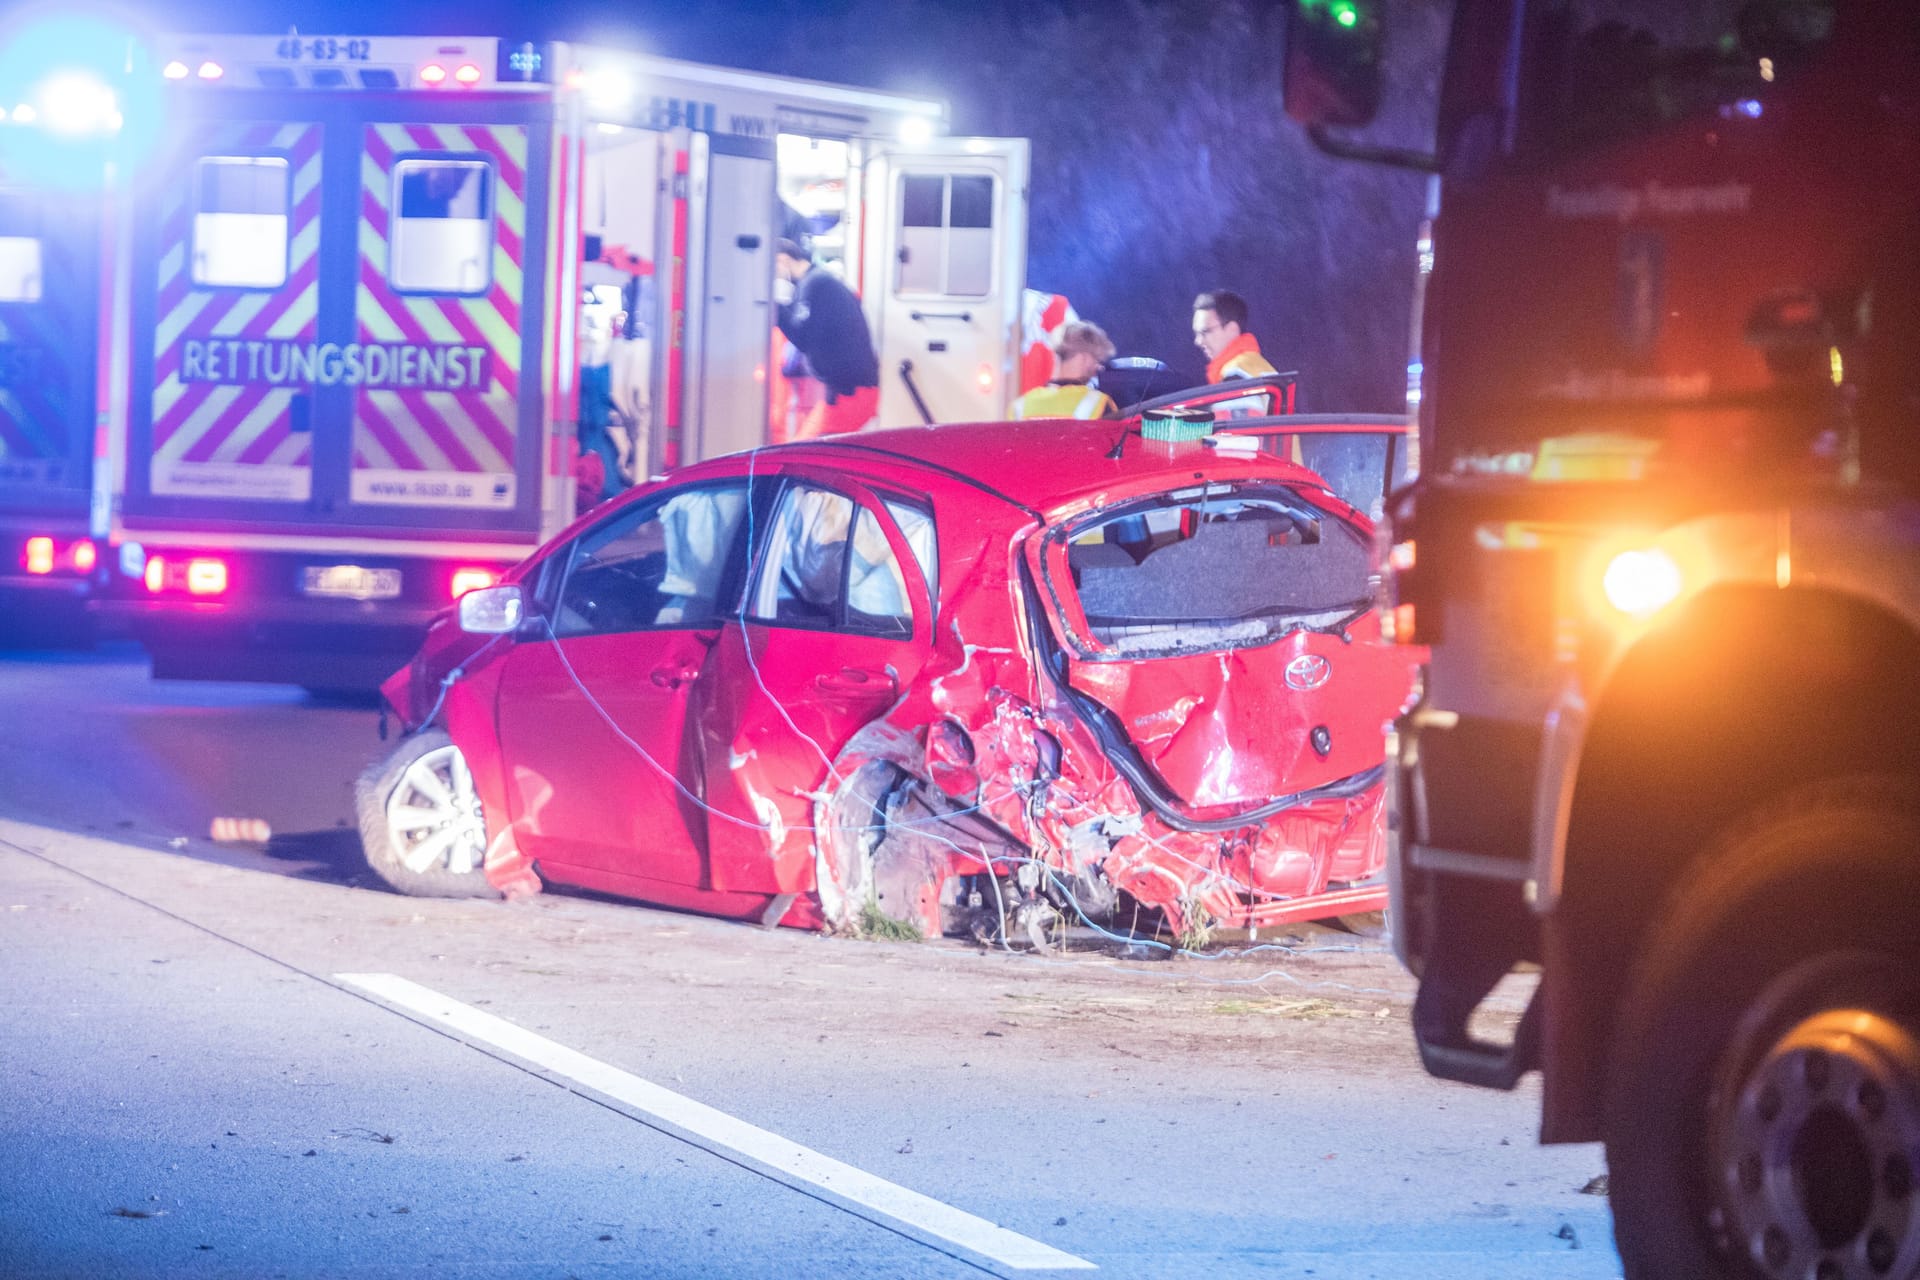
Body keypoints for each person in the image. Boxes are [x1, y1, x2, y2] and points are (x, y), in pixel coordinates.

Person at [774, 238, 880, 438]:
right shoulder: (820, 281)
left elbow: (802, 337)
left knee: (801, 454)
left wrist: (776, 308)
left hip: (849, 394)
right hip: (852, 391)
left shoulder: (815, 284)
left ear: (783, 259)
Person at [1011, 321, 1119, 420]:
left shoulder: (1020, 406)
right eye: (1097, 360)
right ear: (1085, 359)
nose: (1099, 367)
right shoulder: (1099, 403)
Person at [1193, 290, 1278, 383]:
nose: (1198, 341)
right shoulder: (1255, 363)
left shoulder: (1235, 373)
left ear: (1232, 329)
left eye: (1206, 331)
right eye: (1197, 333)